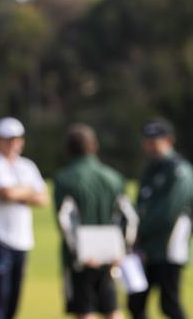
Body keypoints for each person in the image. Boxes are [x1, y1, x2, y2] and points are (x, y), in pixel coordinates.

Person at [53, 124, 134, 319]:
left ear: (68, 148)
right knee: (111, 307)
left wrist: (79, 252)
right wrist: (122, 250)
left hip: (82, 256)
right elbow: (130, 217)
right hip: (110, 252)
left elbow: (65, 219)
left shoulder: (65, 178)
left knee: (84, 310)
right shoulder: (114, 177)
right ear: (94, 145)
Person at [0, 117, 48, 319]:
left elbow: (43, 198)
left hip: (22, 239)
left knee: (15, 296)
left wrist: (19, 193)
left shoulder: (27, 166)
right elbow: (5, 193)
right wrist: (28, 191)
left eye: (16, 139)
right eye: (8, 139)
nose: (13, 144)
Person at [128, 119, 193, 319]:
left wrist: (140, 231)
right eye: (147, 140)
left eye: (155, 140)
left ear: (168, 141)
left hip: (167, 248)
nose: (149, 145)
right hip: (145, 250)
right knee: (136, 302)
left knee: (169, 303)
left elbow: (169, 211)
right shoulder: (150, 170)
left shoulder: (178, 170)